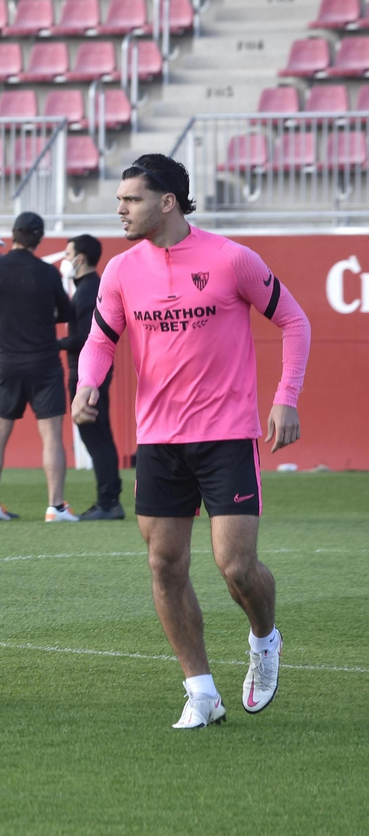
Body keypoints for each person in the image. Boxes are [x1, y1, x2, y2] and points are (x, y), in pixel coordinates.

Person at [74, 154, 310, 730]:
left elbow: (295, 322)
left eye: (131, 199)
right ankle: (201, 691)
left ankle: (263, 638)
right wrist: (87, 385)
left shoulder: (232, 259)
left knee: (236, 567)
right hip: (158, 441)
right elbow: (101, 341)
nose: (121, 209)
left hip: (228, 437)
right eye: (121, 199)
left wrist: (286, 396)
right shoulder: (122, 271)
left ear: (167, 203)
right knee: (165, 564)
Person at [0, 212, 76, 523]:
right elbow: (66, 311)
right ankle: (55, 507)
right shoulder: (47, 273)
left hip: (6, 361)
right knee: (51, 436)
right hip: (44, 362)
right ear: (38, 237)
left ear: (14, 234)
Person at [56, 235, 123, 520]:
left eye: (69, 253)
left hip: (87, 375)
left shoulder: (87, 291)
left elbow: (86, 339)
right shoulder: (88, 289)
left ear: (80, 258)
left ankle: (108, 501)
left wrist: (52, 344)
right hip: (90, 373)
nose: (65, 259)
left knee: (95, 435)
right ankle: (108, 499)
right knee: (98, 434)